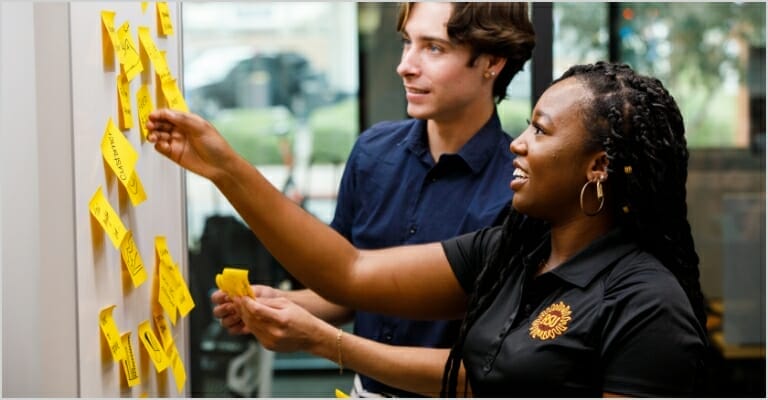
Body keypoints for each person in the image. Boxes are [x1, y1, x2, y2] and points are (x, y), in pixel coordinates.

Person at [148, 61, 709, 396]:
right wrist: (226, 168)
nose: (519, 142)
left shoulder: (648, 304)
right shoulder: (511, 251)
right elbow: (349, 272)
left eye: (540, 131)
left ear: (598, 167)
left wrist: (328, 343)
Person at [209, 2, 535, 397]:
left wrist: (324, 341)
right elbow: (347, 288)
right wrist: (283, 304)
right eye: (406, 43)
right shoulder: (372, 152)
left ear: (492, 62)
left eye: (433, 48)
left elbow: (490, 370)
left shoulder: (518, 190)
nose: (406, 65)